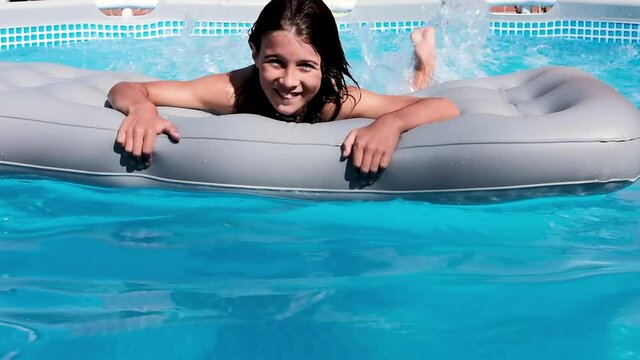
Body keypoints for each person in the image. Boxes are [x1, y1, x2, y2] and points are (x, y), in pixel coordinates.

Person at [108, 0, 459, 175]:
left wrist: (389, 124)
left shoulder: (334, 101)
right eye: (276, 62)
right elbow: (128, 88)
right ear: (256, 54)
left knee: (412, 93)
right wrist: (142, 109)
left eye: (306, 66)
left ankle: (424, 61)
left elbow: (444, 106)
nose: (289, 82)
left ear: (326, 67)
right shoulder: (231, 92)